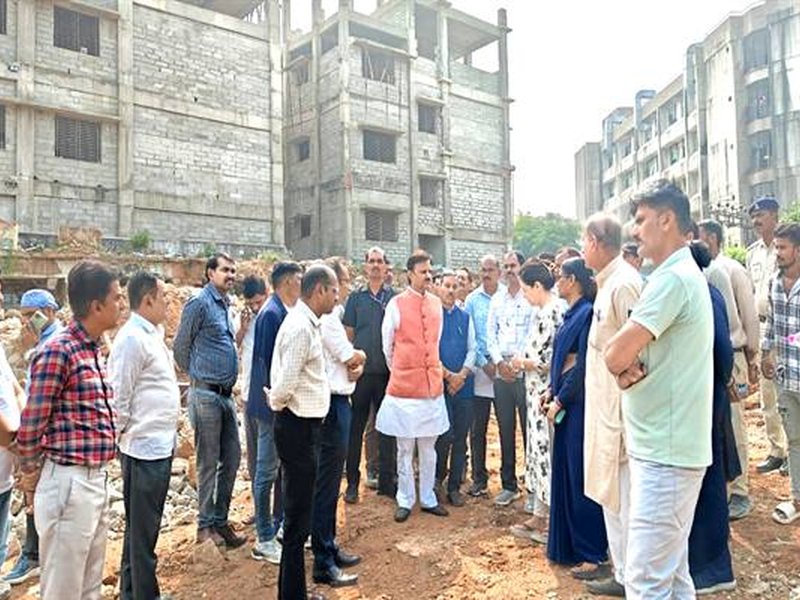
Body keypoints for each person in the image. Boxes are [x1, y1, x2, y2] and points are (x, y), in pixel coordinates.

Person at [605, 181, 713, 598]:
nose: (634, 230)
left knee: (645, 581)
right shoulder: (676, 274)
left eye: (640, 220)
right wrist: (624, 366)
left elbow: (616, 354)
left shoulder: (673, 280)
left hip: (666, 453)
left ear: (666, 220)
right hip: (667, 447)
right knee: (672, 577)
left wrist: (619, 364)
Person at [17, 260, 124, 600]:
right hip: (68, 482)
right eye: (116, 297)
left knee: (89, 588)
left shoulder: (91, 349)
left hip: (94, 480)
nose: (121, 304)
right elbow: (32, 425)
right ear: (96, 306)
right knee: (63, 590)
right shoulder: (58, 351)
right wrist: (32, 474)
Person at [268, 264, 339, 600]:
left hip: (303, 426)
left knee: (299, 518)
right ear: (319, 290)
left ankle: (294, 591)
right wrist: (275, 401)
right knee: (297, 522)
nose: (337, 298)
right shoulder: (300, 327)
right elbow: (285, 384)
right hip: (296, 427)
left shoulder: (306, 323)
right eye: (334, 291)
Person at [581, 214, 642, 597]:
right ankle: (621, 573)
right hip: (603, 412)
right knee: (611, 499)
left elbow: (639, 357)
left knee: (628, 502)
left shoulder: (625, 285)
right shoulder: (606, 284)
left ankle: (634, 579)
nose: (582, 248)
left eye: (584, 241)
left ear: (595, 241)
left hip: (621, 416)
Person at [109, 272, 180, 600]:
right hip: (142, 449)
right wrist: (121, 437)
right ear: (148, 300)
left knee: (140, 531)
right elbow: (119, 397)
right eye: (163, 297)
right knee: (143, 534)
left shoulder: (150, 334)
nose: (168, 303)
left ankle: (131, 592)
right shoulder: (131, 339)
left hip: (157, 446)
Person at [174, 253, 245, 548]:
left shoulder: (225, 305)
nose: (230, 275)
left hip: (225, 395)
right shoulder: (199, 303)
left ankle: (220, 521)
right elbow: (180, 346)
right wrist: (198, 376)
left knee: (232, 458)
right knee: (207, 461)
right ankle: (205, 527)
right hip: (205, 395)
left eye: (233, 271)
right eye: (225, 270)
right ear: (209, 273)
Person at [545, 258, 608, 572]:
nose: (556, 281)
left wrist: (560, 399)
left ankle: (591, 551)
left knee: (580, 478)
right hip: (565, 404)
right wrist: (550, 390)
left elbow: (582, 366)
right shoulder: (571, 314)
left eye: (560, 276)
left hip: (579, 407)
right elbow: (561, 360)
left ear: (572, 281)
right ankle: (570, 546)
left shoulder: (586, 314)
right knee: (566, 476)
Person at [378, 250, 450, 523]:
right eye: (423, 272)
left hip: (431, 387)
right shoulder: (396, 304)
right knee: (405, 448)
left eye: (430, 271)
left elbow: (436, 341)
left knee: (429, 447)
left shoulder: (436, 303)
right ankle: (405, 499)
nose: (428, 276)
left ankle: (428, 497)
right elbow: (387, 346)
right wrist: (402, 369)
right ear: (410, 274)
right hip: (405, 389)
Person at [686, 241, 739, 595]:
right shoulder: (699, 291)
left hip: (704, 399)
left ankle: (715, 569)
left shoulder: (703, 294)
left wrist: (716, 387)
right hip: (699, 399)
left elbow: (723, 351)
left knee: (707, 480)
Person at [699, 219, 760, 520]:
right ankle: (723, 489)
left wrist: (753, 356)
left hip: (732, 356)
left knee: (734, 425)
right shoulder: (700, 270)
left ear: (711, 238)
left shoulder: (728, 270)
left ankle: (740, 491)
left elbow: (748, 314)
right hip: (709, 358)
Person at [5, 289, 64, 587]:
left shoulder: (53, 343)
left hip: (46, 435)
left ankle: (34, 555)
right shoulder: (41, 341)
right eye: (23, 316)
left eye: (32, 315)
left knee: (35, 492)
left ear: (49, 311)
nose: (26, 322)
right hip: (35, 431)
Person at [312, 258, 364, 588]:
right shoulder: (329, 320)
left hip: (336, 402)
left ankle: (329, 546)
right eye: (341, 283)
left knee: (331, 483)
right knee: (326, 484)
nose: (344, 290)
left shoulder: (331, 317)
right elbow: (350, 357)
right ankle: (323, 560)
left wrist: (356, 363)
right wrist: (362, 357)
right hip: (332, 405)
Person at [247, 261, 303, 563]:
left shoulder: (282, 311)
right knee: (266, 471)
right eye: (299, 279)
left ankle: (278, 527)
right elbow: (269, 364)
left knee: (278, 469)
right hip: (269, 406)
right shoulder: (271, 314)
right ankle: (264, 537)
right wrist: (278, 400)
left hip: (276, 404)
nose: (302, 284)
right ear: (287, 282)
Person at [508, 261, 565, 545]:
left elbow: (552, 358)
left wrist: (523, 362)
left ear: (538, 286)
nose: (524, 295)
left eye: (526, 289)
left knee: (548, 456)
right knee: (538, 455)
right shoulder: (542, 311)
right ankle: (539, 515)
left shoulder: (554, 311)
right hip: (534, 392)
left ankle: (551, 522)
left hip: (547, 394)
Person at [343, 247, 397, 503]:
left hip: (387, 374)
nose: (376, 265)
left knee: (387, 428)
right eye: (371, 261)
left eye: (380, 261)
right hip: (362, 376)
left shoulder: (394, 299)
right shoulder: (356, 299)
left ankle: (387, 481)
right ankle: (353, 483)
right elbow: (349, 335)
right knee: (356, 429)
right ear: (365, 266)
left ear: (386, 267)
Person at [486, 250, 535, 506]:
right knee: (505, 429)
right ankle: (508, 485)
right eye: (505, 266)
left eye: (513, 265)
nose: (508, 270)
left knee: (530, 432)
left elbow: (534, 335)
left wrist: (516, 364)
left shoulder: (531, 298)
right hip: (501, 373)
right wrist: (499, 363)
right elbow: (490, 335)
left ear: (522, 267)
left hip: (525, 373)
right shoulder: (497, 300)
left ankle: (534, 489)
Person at [762, 223, 800, 525]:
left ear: (798, 250)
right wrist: (765, 353)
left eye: (783, 247)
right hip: (786, 378)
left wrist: (788, 341)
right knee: (795, 441)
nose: (777, 253)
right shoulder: (774, 282)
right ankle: (797, 499)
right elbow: (772, 323)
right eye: (776, 247)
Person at [747, 196, 788, 475]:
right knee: (768, 393)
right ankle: (777, 451)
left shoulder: (789, 246)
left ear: (774, 215)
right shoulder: (753, 253)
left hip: (788, 328)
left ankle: (794, 453)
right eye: (753, 217)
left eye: (760, 215)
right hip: (762, 327)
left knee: (791, 391)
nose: (756, 221)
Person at [434, 270, 476, 507]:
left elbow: (472, 349)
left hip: (464, 387)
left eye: (455, 286)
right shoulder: (432, 317)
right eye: (447, 286)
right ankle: (437, 480)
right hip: (440, 386)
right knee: (443, 435)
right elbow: (430, 351)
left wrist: (461, 376)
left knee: (460, 437)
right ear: (439, 287)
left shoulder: (465, 317)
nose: (451, 290)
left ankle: (454, 488)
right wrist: (449, 377)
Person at [465, 255, 505, 497]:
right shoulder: (472, 300)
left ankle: (508, 480)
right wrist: (484, 363)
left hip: (503, 369)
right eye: (483, 270)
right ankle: (479, 478)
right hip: (480, 371)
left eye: (490, 269)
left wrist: (498, 363)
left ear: (499, 271)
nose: (486, 274)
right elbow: (471, 336)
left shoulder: (507, 297)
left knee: (505, 426)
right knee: (477, 428)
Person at [238, 275, 269, 486]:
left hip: (268, 395)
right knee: (253, 451)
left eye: (258, 302)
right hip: (248, 393)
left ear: (267, 294)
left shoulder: (273, 316)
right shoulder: (244, 319)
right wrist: (243, 328)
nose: (255, 307)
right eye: (251, 303)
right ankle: (258, 500)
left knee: (269, 454)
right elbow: (235, 344)